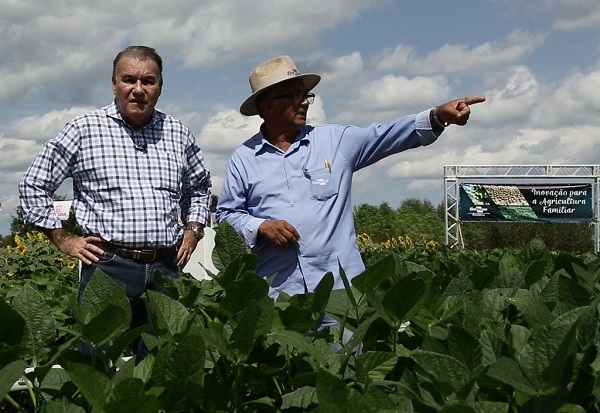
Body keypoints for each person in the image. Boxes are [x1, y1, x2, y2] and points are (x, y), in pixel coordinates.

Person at [216, 55, 484, 339]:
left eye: (306, 95)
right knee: (291, 377)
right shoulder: (243, 160)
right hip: (280, 293)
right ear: (267, 105)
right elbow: (226, 217)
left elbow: (386, 135)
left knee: (346, 374)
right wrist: (260, 226)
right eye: (295, 95)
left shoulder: (336, 141)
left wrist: (437, 116)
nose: (305, 102)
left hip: (341, 293)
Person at [19, 45, 212, 360]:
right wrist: (62, 237)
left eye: (148, 81)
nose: (138, 90)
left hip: (165, 267)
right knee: (99, 365)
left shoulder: (177, 133)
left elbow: (200, 186)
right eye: (128, 80)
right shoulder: (84, 129)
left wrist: (192, 230)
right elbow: (33, 183)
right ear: (114, 83)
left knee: (163, 365)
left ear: (160, 86)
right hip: (108, 266)